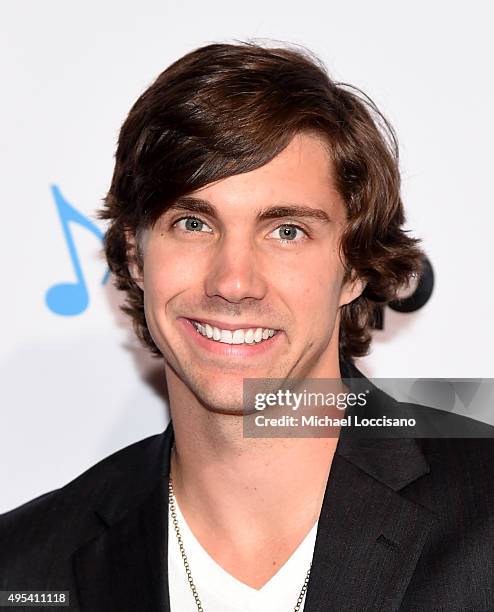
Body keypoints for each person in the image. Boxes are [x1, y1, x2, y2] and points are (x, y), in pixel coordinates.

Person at [1, 41, 493, 612]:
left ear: (355, 266)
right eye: (192, 222)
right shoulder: (27, 569)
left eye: (286, 231)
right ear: (136, 256)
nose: (233, 281)